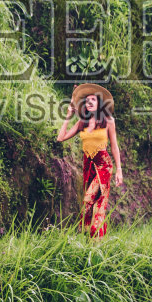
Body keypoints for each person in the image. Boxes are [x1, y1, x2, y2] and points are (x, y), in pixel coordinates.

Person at [56, 83, 122, 238]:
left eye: (93, 99)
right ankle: (90, 239)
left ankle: (96, 238)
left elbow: (114, 147)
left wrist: (119, 169)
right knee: (88, 206)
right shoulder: (82, 123)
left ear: (99, 104)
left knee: (92, 200)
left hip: (103, 165)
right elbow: (61, 138)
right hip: (88, 166)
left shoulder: (108, 121)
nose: (90, 102)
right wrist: (67, 117)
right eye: (87, 100)